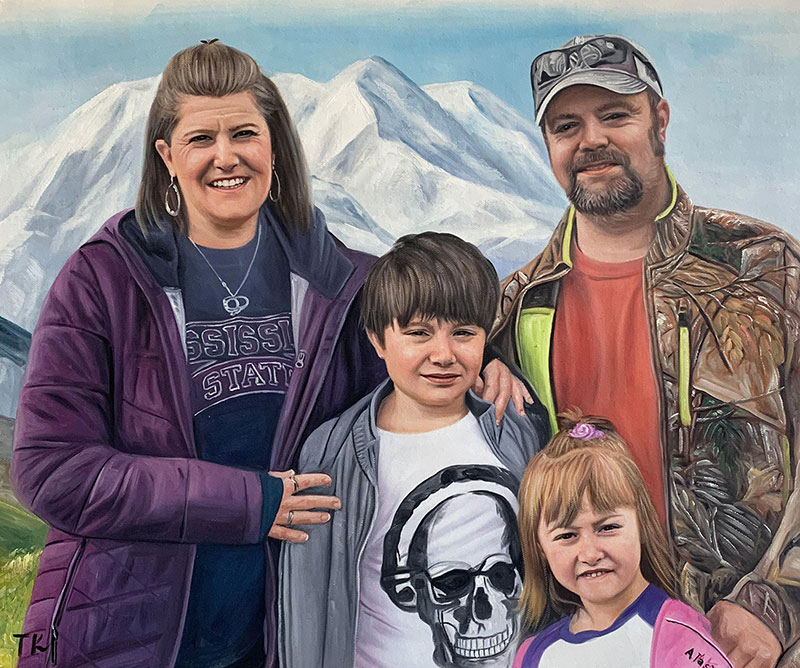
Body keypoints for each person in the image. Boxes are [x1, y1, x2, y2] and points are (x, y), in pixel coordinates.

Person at [10, 41, 524, 668]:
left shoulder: (338, 285)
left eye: (244, 134)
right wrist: (250, 504)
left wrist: (492, 358)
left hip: (275, 636)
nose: (225, 157)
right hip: (125, 635)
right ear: (167, 156)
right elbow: (51, 472)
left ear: (274, 147)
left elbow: (424, 331)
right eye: (201, 139)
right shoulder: (104, 280)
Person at [490, 34, 800, 668]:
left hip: (749, 649)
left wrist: (779, 602)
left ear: (660, 118)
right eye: (566, 125)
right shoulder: (516, 306)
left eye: (615, 115)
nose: (591, 140)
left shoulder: (766, 269)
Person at [279, 232, 549, 668]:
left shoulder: (516, 429)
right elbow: (308, 597)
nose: (442, 354)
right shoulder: (332, 453)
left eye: (463, 333)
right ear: (378, 340)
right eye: (418, 333)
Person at [512, 411, 733, 668]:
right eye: (567, 535)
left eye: (607, 528)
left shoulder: (676, 634)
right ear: (540, 548)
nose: (590, 553)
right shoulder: (534, 654)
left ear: (641, 525)